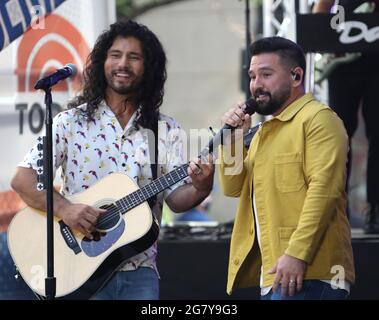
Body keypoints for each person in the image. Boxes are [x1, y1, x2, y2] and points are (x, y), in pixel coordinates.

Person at [10, 19, 214, 300]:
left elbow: (174, 200)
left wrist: (202, 186)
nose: (123, 64)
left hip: (138, 269)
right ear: (103, 62)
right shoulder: (70, 123)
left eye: (134, 57)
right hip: (75, 268)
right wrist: (66, 210)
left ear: (148, 67)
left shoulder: (165, 130)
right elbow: (22, 179)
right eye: (115, 55)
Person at [219, 36, 355, 300]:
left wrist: (296, 254)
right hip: (276, 274)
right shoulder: (262, 133)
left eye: (266, 74)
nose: (256, 85)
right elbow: (232, 188)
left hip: (312, 274)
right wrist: (234, 140)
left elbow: (325, 191)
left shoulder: (319, 120)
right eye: (252, 76)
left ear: (295, 76)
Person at [313, 0, 379, 233]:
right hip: (343, 60)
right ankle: (338, 209)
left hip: (376, 59)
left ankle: (375, 210)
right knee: (339, 136)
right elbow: (321, 8)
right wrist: (326, 39)